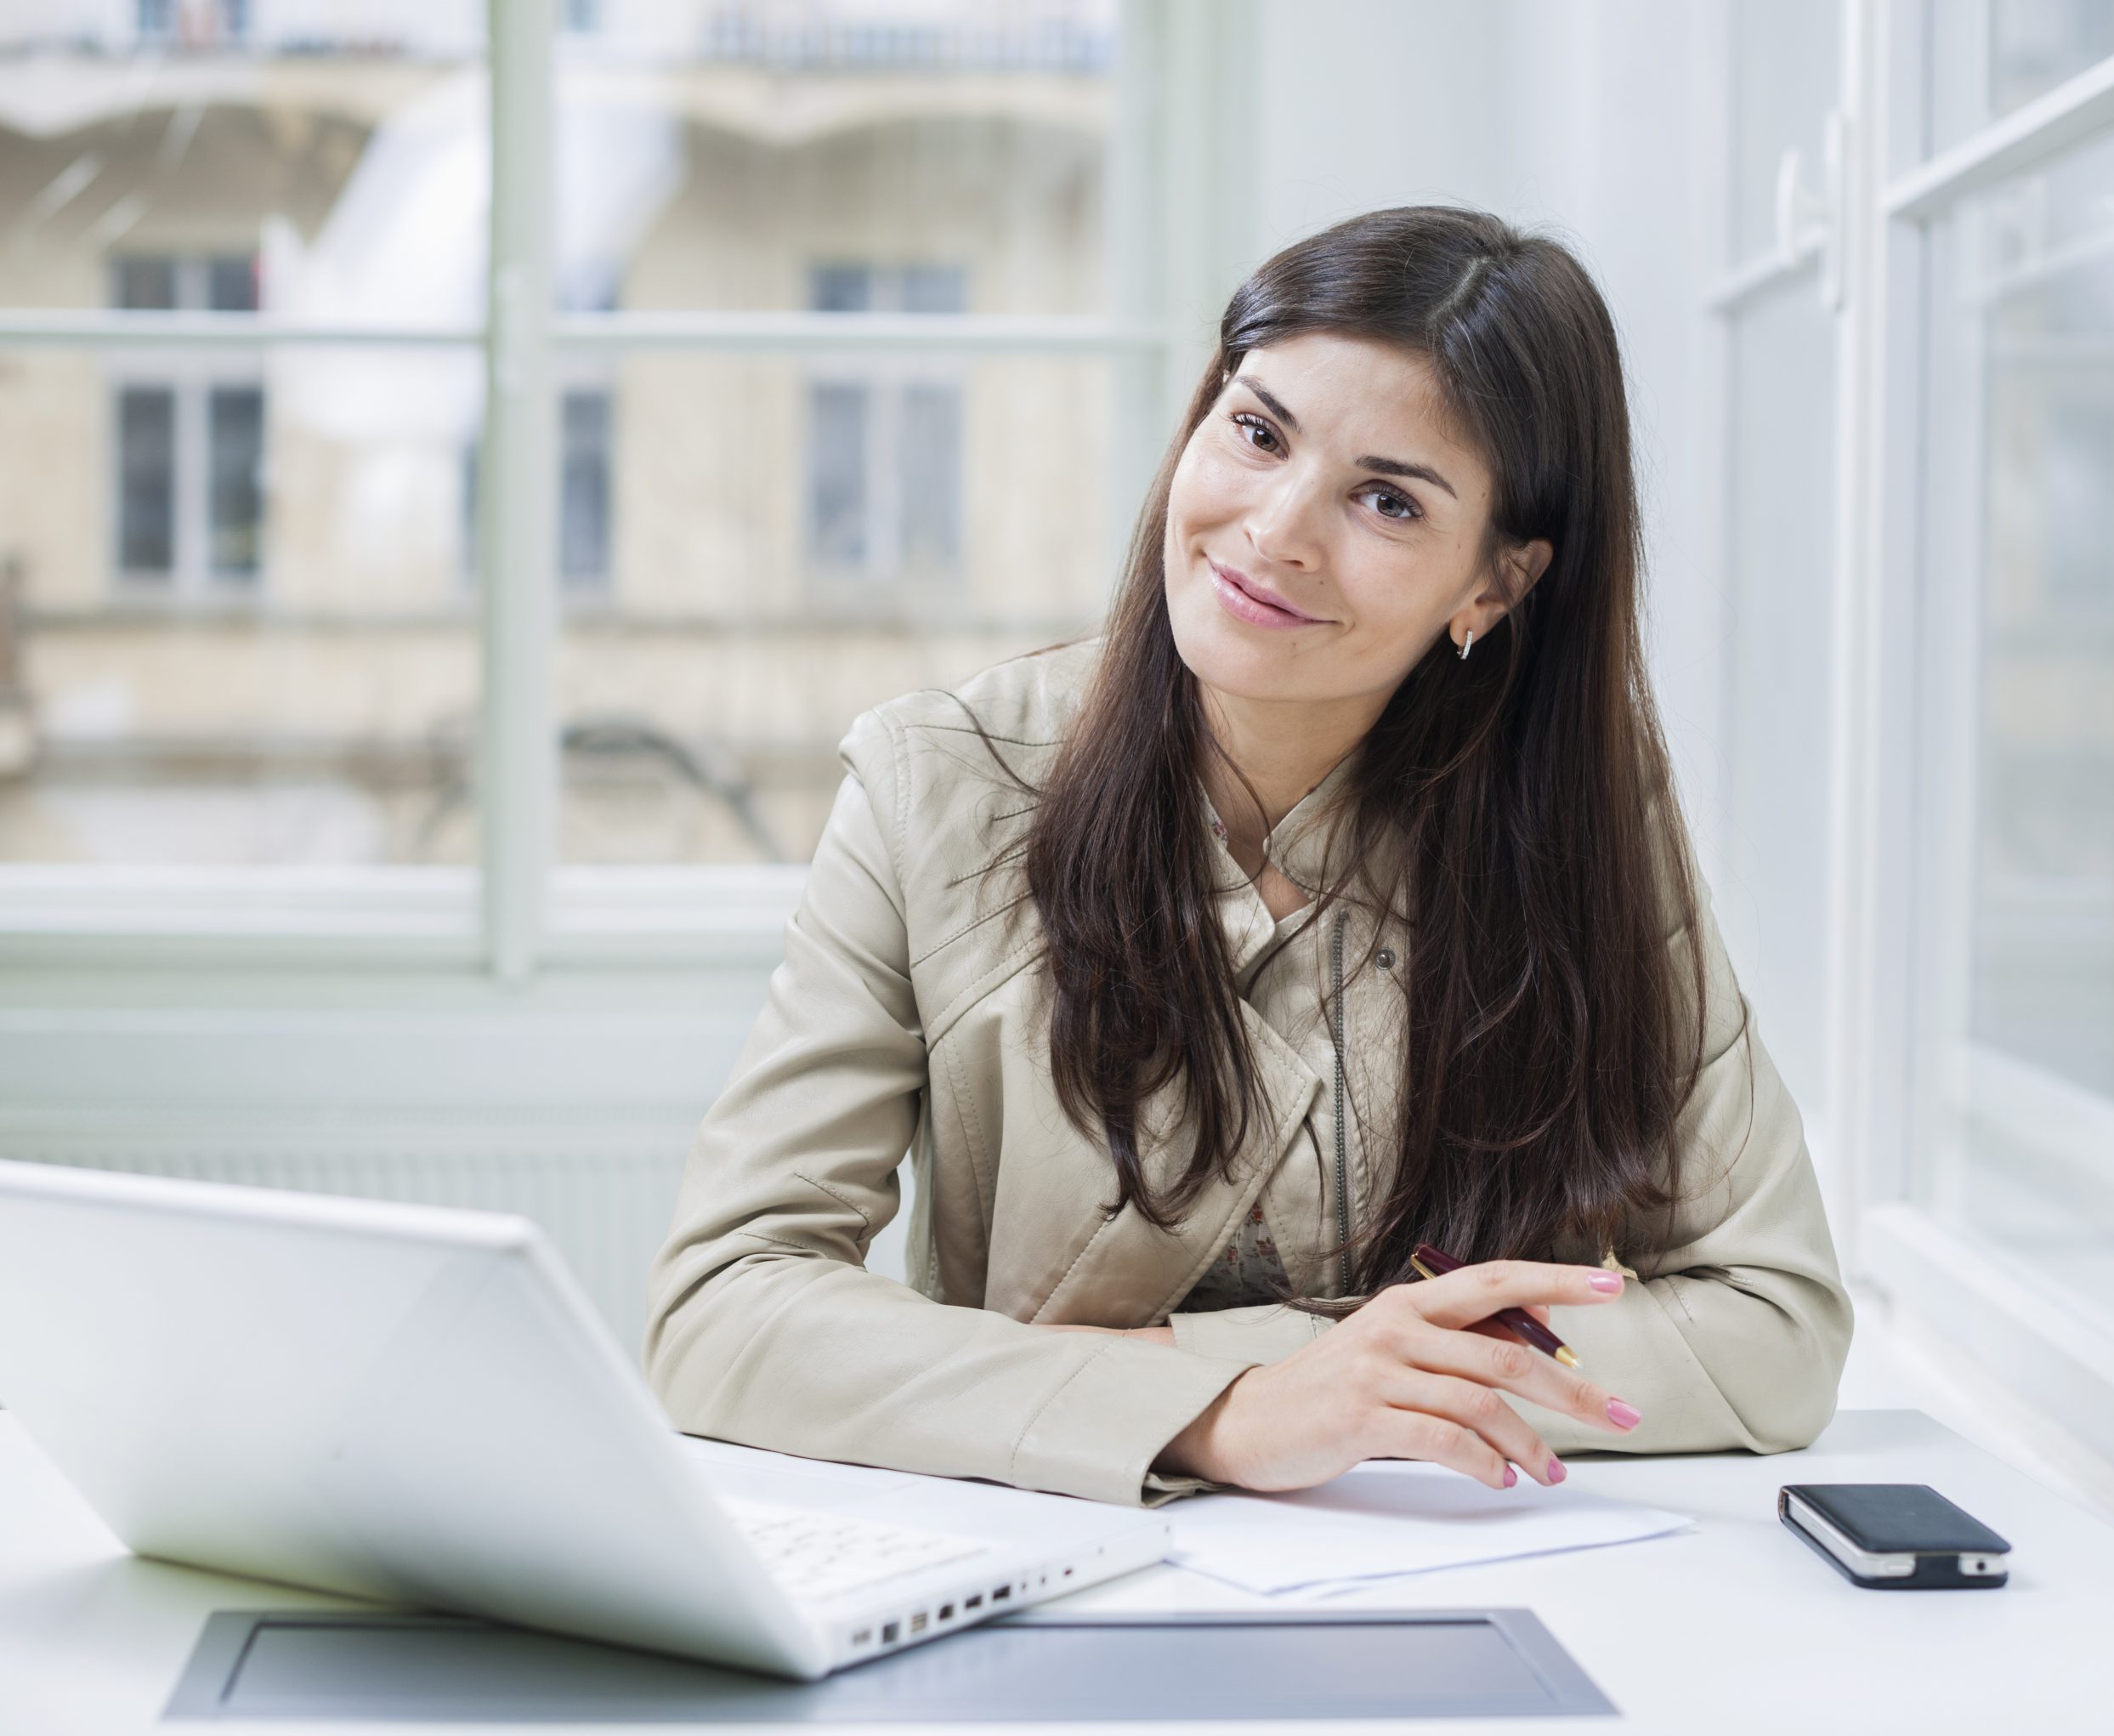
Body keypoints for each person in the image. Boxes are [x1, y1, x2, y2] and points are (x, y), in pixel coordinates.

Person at [643, 205, 1852, 1507]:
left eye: (1387, 499)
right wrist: (1228, 1409)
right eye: (1258, 432)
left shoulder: (1579, 818)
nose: (1275, 528)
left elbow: (1774, 1323)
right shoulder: (936, 781)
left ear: (1494, 586)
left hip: (1452, 1598)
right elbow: (721, 1307)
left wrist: (1292, 1376)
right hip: (1051, 1573)